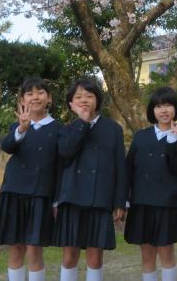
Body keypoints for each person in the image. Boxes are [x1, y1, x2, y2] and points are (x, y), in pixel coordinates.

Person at [0, 77, 63, 281]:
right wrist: (22, 129)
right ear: (22, 100)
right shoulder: (17, 126)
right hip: (14, 193)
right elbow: (7, 146)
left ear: (49, 98)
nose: (35, 97)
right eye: (29, 93)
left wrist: (57, 201)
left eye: (40, 92)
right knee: (16, 248)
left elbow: (61, 167)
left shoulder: (59, 129)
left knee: (34, 250)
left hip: (41, 195)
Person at [53, 78, 127, 281]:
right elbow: (66, 153)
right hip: (71, 198)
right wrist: (83, 123)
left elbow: (120, 167)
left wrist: (120, 201)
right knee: (70, 255)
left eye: (89, 96)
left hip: (100, 198)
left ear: (97, 100)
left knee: (95, 256)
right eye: (78, 97)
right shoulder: (66, 129)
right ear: (71, 103)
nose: (84, 100)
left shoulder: (113, 129)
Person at [124, 87, 177, 281]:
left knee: (166, 254)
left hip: (166, 204)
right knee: (147, 255)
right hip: (141, 202)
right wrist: (124, 199)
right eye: (159, 106)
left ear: (175, 109)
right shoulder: (140, 136)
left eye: (168, 105)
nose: (164, 110)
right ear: (152, 110)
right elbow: (128, 169)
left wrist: (172, 141)